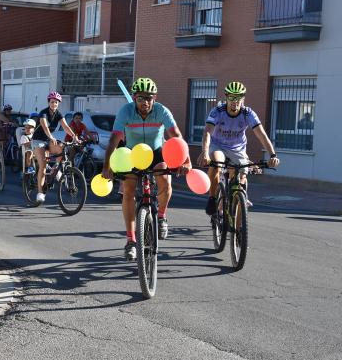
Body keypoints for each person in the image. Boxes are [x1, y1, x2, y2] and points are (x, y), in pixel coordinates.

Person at [102, 77, 191, 261]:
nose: (146, 102)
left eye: (149, 98)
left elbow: (176, 136)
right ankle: (131, 240)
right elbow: (114, 139)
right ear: (134, 98)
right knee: (128, 190)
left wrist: (187, 161)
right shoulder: (125, 111)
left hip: (157, 152)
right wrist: (106, 166)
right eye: (141, 98)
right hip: (133, 154)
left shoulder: (161, 111)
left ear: (155, 98)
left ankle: (161, 216)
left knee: (164, 176)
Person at [199, 81, 280, 216]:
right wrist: (205, 152)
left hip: (237, 148)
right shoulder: (217, 111)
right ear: (226, 98)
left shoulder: (248, 113)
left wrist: (272, 155)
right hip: (218, 145)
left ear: (243, 99)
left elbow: (262, 134)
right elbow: (207, 132)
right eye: (231, 97)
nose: (235, 101)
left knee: (241, 174)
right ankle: (212, 198)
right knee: (217, 163)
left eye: (238, 98)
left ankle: (238, 207)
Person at [31, 91, 79, 204]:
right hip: (38, 140)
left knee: (62, 147)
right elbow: (45, 127)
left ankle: (56, 168)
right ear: (49, 102)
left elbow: (66, 126)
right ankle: (40, 192)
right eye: (52, 102)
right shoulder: (43, 113)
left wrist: (74, 137)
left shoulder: (58, 114)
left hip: (48, 140)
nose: (54, 104)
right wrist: (52, 137)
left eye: (56, 102)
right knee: (42, 166)